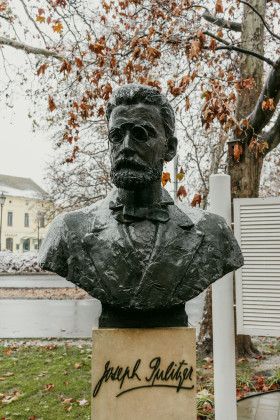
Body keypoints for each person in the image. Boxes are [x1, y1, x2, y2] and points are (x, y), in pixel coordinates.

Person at [39, 84, 243, 327]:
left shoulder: (212, 230)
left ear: (169, 148)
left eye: (140, 134)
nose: (125, 146)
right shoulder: (68, 230)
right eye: (116, 136)